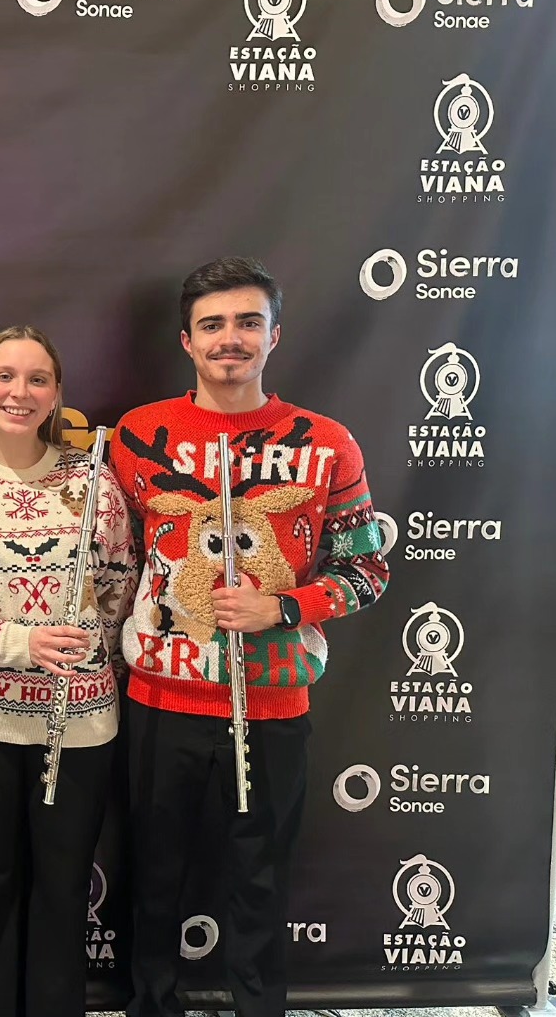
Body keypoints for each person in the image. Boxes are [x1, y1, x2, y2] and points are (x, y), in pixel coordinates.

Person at [108, 257, 389, 1017]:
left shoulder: (326, 443)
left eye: (246, 323)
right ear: (186, 340)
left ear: (274, 336)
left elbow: (367, 570)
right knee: (154, 873)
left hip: (271, 700)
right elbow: (117, 561)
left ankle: (259, 1008)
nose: (230, 339)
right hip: (163, 695)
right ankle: (151, 1005)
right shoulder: (138, 437)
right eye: (213, 325)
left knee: (259, 876)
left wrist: (285, 609)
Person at [0, 325, 136, 1017]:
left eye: (37, 379)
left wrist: (78, 657)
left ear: (57, 395)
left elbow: (118, 591)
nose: (20, 392)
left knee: (65, 890)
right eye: (5, 376)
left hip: (79, 724)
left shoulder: (95, 483)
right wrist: (20, 645)